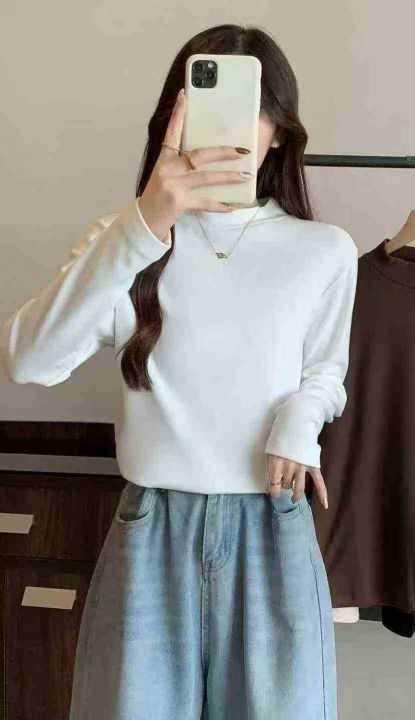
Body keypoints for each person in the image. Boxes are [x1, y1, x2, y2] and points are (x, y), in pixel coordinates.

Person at [0, 24, 358, 720]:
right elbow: (28, 359)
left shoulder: (323, 251)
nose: (228, 130)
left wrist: (298, 418)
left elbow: (326, 371)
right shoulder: (125, 240)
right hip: (151, 528)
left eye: (249, 108)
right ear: (172, 120)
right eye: (203, 107)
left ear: (278, 131)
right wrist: (143, 223)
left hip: (270, 525)